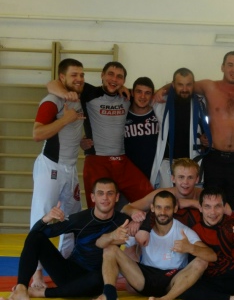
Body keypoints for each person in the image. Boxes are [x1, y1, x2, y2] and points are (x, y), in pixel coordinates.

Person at [0, 178, 131, 300]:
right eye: (100, 193)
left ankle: (42, 293)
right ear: (93, 197)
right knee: (36, 237)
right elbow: (34, 236)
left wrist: (135, 214)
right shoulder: (80, 219)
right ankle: (21, 289)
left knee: (99, 279)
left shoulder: (123, 221)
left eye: (110, 193)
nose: (105, 198)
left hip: (97, 279)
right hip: (69, 273)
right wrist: (46, 219)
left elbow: (142, 223)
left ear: (117, 197)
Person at [86, 190, 222, 300]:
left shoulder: (183, 231)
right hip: (144, 278)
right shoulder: (141, 229)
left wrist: (191, 248)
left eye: (167, 208)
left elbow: (212, 256)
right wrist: (113, 236)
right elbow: (100, 243)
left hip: (173, 281)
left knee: (201, 261)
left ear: (175, 208)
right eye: (158, 207)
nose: (162, 212)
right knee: (110, 248)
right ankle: (109, 295)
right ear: (152, 208)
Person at [47, 61, 154, 207]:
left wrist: (123, 88)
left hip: (122, 160)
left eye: (119, 77)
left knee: (151, 198)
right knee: (98, 207)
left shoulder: (128, 96)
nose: (114, 79)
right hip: (97, 161)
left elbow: (153, 94)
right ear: (102, 75)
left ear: (124, 81)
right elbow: (52, 84)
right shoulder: (89, 92)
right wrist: (66, 94)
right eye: (110, 74)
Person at [29, 58, 85, 287]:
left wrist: (82, 142)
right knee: (42, 217)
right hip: (50, 167)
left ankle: (65, 268)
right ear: (62, 77)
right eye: (74, 75)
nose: (79, 79)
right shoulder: (52, 101)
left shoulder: (78, 97)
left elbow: (69, 133)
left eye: (81, 74)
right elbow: (37, 134)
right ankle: (36, 274)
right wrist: (64, 120)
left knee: (72, 220)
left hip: (70, 168)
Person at [150, 68, 211, 188]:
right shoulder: (161, 102)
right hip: (168, 162)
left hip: (193, 160)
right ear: (173, 85)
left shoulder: (201, 102)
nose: (184, 89)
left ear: (194, 85)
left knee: (193, 198)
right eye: (180, 85)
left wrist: (205, 138)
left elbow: (208, 125)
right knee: (167, 198)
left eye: (188, 85)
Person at [124, 77, 160, 181]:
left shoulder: (159, 114)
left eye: (147, 93)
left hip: (155, 173)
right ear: (132, 93)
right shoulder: (122, 114)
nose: (143, 96)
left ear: (152, 95)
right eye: (139, 92)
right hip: (129, 174)